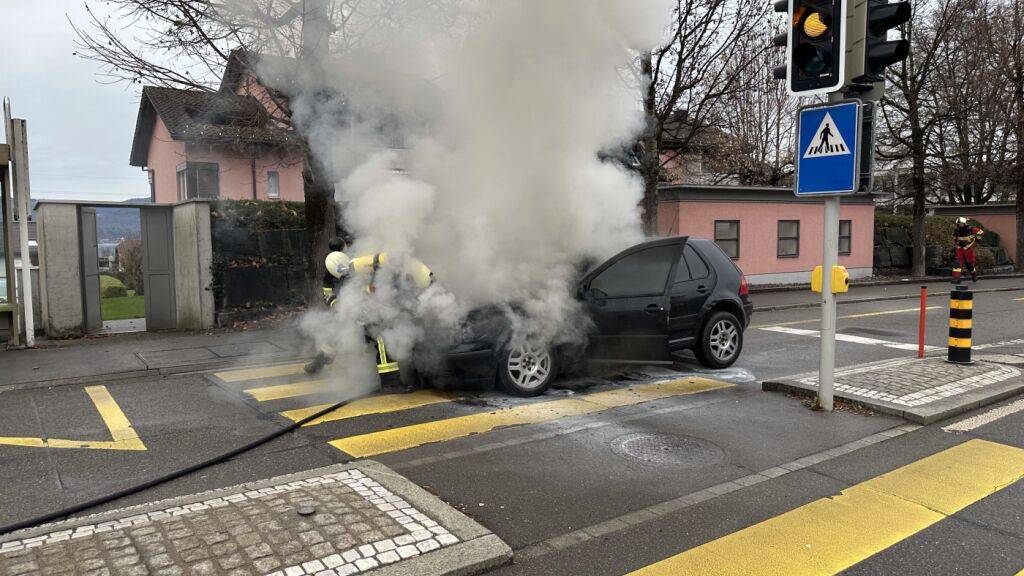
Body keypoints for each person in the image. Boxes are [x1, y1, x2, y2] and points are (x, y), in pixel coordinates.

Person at [304, 238, 350, 374]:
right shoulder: (339, 263)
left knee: (335, 336)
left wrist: (333, 302)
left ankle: (318, 363)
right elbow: (328, 289)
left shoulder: (332, 263)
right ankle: (318, 363)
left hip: (349, 304)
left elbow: (326, 288)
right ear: (344, 246)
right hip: (347, 306)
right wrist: (335, 304)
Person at [951, 217, 984, 284]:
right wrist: (955, 244)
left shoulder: (971, 229)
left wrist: (977, 241)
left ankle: (974, 275)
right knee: (957, 263)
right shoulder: (956, 230)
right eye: (958, 224)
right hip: (960, 248)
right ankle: (956, 278)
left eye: (961, 224)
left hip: (968, 248)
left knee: (969, 264)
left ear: (965, 223)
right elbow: (955, 238)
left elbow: (981, 232)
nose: (960, 225)